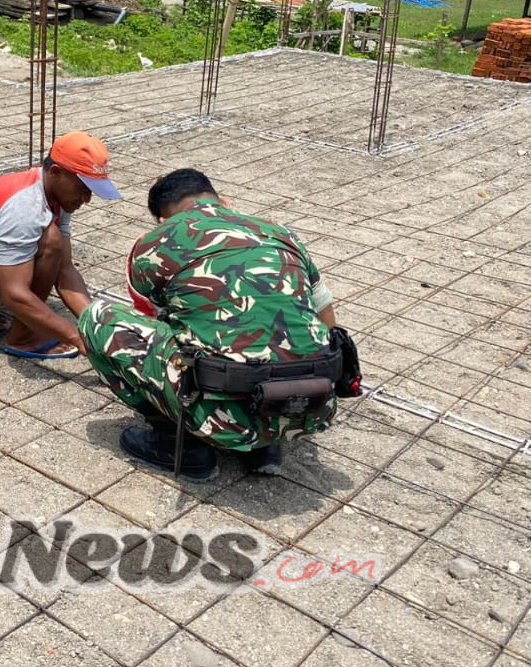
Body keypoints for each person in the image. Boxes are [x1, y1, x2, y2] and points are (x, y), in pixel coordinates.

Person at [78, 168, 360, 481]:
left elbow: (153, 322)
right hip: (311, 406)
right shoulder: (281, 233)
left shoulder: (152, 244)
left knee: (97, 317)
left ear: (162, 220)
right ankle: (267, 445)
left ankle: (180, 445)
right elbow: (325, 313)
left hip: (220, 418)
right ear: (223, 201)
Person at [0, 131, 122, 359]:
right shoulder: (25, 207)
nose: (87, 199)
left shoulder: (55, 193)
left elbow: (65, 269)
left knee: (54, 242)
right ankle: (23, 338)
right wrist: (75, 337)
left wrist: (96, 327)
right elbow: (15, 294)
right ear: (55, 173)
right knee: (50, 241)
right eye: (83, 188)